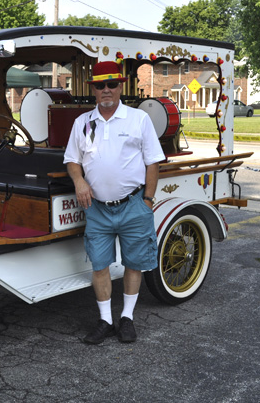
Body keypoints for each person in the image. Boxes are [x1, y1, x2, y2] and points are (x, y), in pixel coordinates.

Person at [63, 58, 165, 344]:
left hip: (134, 204)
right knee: (99, 265)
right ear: (93, 89)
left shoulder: (138, 119)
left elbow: (153, 163)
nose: (106, 89)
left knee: (134, 264)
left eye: (111, 84)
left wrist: (147, 200)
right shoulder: (83, 123)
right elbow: (72, 160)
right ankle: (106, 320)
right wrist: (79, 180)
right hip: (97, 210)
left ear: (120, 87)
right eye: (100, 85)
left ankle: (127, 317)